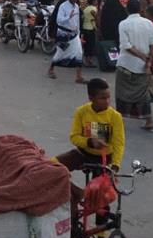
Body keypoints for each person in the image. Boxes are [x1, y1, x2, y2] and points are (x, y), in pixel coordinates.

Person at [53, 78, 125, 227]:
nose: (107, 101)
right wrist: (90, 142)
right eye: (103, 98)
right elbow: (74, 137)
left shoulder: (115, 117)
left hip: (104, 161)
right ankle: (76, 193)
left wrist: (115, 166)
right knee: (51, 166)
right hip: (84, 153)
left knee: (102, 199)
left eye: (108, 97)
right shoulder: (82, 112)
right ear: (91, 98)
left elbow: (119, 143)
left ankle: (101, 235)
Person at [116, 0, 153, 131]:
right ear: (140, 9)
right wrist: (149, 59)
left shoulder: (123, 24)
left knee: (122, 94)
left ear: (126, 9)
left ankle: (120, 121)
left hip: (126, 65)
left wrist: (142, 56)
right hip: (143, 67)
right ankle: (149, 120)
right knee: (143, 95)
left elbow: (126, 46)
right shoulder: (149, 24)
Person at [48, 0, 87, 84]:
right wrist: (68, 17)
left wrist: (79, 34)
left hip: (74, 34)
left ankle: (79, 76)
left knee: (79, 53)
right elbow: (59, 20)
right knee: (60, 54)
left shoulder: (77, 7)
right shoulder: (63, 6)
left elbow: (77, 21)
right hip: (63, 34)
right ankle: (51, 69)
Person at [82, 0, 98, 68]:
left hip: (85, 28)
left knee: (86, 45)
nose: (97, 2)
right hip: (91, 29)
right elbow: (94, 14)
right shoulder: (93, 8)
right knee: (91, 45)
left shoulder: (86, 9)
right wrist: (96, 18)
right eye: (96, 0)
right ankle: (89, 61)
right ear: (93, 1)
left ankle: (86, 60)